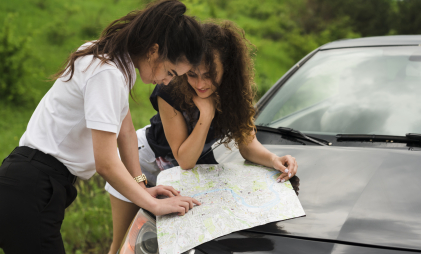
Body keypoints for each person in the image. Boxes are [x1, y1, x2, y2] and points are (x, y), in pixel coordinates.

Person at [0, 0, 203, 254]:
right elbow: (106, 163)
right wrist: (153, 205)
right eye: (171, 72)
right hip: (33, 188)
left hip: (30, 185)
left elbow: (126, 133)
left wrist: (142, 186)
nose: (166, 82)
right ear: (154, 51)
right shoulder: (107, 72)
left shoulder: (114, 63)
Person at [105, 21, 298, 253]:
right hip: (141, 164)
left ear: (227, 67)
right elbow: (185, 158)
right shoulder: (169, 90)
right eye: (193, 75)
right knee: (126, 244)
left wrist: (273, 159)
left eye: (209, 75)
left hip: (180, 175)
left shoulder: (233, 91)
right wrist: (206, 113)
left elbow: (247, 145)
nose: (200, 84)